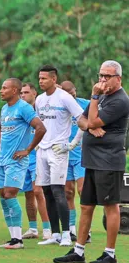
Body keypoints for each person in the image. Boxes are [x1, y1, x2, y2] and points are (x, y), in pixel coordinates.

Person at [54, 60, 129, 263]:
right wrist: (90, 126)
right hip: (92, 160)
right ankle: (78, 251)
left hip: (108, 160)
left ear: (118, 79)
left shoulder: (120, 100)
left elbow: (93, 120)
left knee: (110, 206)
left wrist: (94, 99)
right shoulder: (103, 98)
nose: (102, 80)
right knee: (86, 205)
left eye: (107, 76)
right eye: (100, 75)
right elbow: (81, 119)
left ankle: (110, 253)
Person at [34, 65, 86, 247]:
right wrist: (35, 145)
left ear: (54, 79)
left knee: (58, 191)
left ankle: (66, 233)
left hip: (58, 151)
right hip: (42, 150)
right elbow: (39, 125)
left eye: (44, 78)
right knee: (46, 191)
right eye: (39, 78)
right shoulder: (39, 100)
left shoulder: (64, 97)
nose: (41, 81)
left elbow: (82, 120)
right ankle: (54, 234)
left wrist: (72, 144)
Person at [0, 79, 45, 249]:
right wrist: (0, 145)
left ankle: (18, 240)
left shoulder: (24, 107)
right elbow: (2, 129)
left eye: (4, 88)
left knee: (10, 194)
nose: (1, 91)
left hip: (17, 160)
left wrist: (28, 150)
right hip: (2, 160)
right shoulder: (4, 108)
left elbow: (41, 128)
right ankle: (13, 238)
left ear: (14, 90)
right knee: (3, 196)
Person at [20, 83, 52, 239]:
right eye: (21, 93)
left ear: (34, 94)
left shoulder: (42, 111)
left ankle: (47, 228)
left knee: (39, 191)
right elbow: (2, 126)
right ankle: (33, 228)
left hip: (38, 156)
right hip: (24, 157)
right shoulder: (18, 111)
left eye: (26, 92)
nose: (23, 95)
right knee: (28, 194)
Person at [60, 81, 90, 241]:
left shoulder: (84, 104)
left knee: (83, 190)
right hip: (64, 154)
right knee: (67, 192)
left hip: (81, 154)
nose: (73, 96)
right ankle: (71, 229)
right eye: (69, 94)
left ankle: (87, 230)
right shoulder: (59, 106)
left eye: (74, 93)